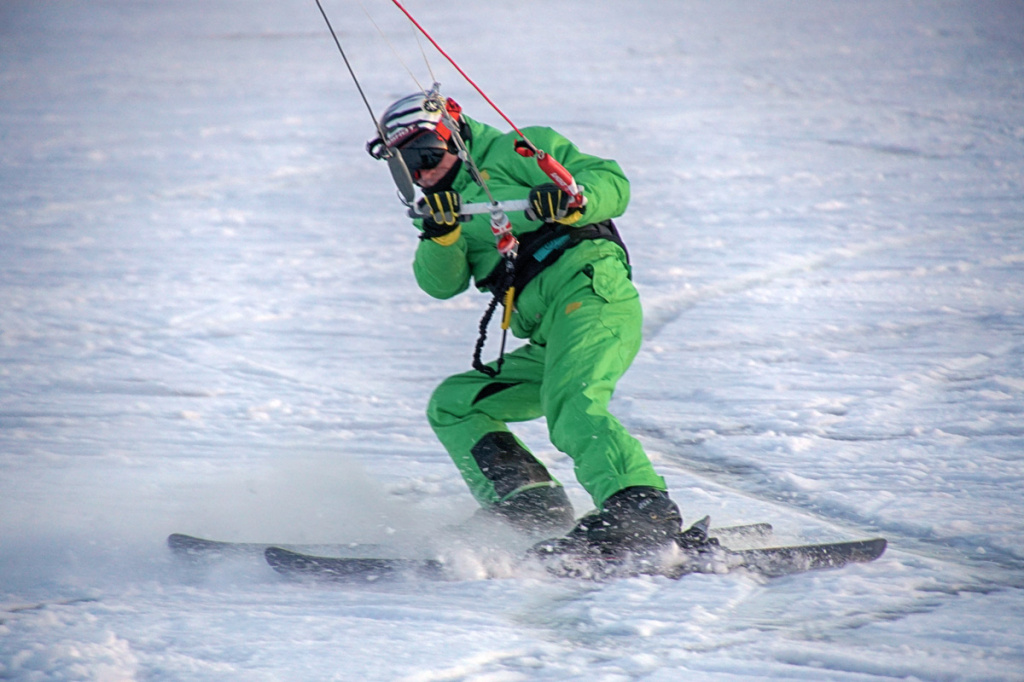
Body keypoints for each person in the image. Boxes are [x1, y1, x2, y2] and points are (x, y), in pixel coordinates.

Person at [367, 90, 683, 558]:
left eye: (423, 152)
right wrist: (441, 235)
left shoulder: (517, 150)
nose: (420, 170)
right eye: (403, 164)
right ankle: (528, 504)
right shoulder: (443, 207)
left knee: (572, 403)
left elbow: (611, 182)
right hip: (548, 331)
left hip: (590, 295)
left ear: (451, 132)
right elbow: (441, 284)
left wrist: (575, 198)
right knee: (455, 404)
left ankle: (640, 508)